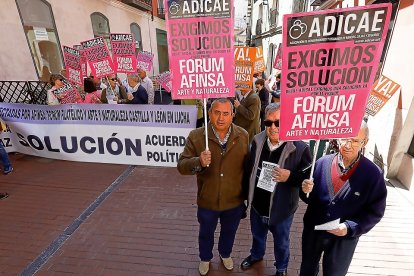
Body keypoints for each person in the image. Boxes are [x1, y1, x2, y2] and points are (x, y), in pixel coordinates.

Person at [300, 121, 387, 276]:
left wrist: (350, 227)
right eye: (345, 138)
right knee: (307, 268)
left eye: (354, 141)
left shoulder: (373, 174)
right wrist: (305, 190)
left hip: (344, 238)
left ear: (364, 142)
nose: (348, 145)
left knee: (335, 272)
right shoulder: (321, 163)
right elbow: (308, 198)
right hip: (314, 231)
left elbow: (375, 211)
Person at [177, 98, 249, 276]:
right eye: (217, 112)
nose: (221, 118)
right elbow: (182, 166)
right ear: (209, 113)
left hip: (234, 199)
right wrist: (198, 161)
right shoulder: (196, 136)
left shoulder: (243, 135)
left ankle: (225, 254)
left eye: (226, 113)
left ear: (232, 115)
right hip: (207, 199)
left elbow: (248, 167)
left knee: (229, 232)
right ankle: (205, 257)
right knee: (206, 232)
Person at [241, 103, 312, 276]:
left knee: (281, 243)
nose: (273, 127)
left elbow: (308, 180)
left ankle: (281, 268)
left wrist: (290, 177)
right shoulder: (257, 141)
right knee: (257, 236)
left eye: (278, 123)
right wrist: (244, 198)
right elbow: (248, 170)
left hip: (282, 210)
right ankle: (257, 255)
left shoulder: (301, 148)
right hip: (258, 205)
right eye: (268, 123)